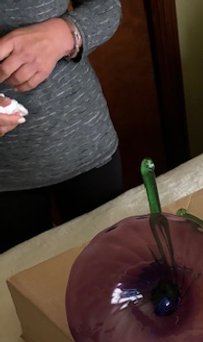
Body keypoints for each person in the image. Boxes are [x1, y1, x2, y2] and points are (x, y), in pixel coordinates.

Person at [0, 1, 123, 253]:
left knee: (111, 261)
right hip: (5, 180)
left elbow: (107, 5)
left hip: (87, 147)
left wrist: (65, 33)